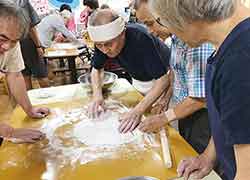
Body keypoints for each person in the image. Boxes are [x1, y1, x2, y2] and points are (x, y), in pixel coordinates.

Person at [150, 0, 250, 179]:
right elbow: (228, 122)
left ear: (185, 15)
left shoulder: (240, 61)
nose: (170, 30)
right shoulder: (225, 44)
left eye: (164, 21)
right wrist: (208, 158)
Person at [135, 0, 214, 154]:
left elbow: (199, 99)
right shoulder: (176, 39)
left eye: (150, 23)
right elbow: (176, 71)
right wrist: (165, 99)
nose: (149, 31)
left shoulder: (195, 43)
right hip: (185, 112)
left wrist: (163, 118)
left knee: (199, 159)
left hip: (202, 118)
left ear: (165, 16)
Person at [87, 9, 171, 134]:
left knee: (159, 128)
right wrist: (97, 95)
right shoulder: (103, 41)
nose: (104, 50)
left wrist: (138, 110)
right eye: (99, 45)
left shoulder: (141, 38)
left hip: (163, 80)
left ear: (122, 33)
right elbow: (97, 69)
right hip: (139, 79)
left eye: (109, 44)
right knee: (138, 119)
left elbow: (163, 80)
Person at [0, 0, 48, 143]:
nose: (8, 46)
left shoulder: (11, 43)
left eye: (14, 41)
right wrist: (9, 132)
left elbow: (14, 75)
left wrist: (29, 109)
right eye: (2, 39)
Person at [18, 0, 49, 90]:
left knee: (25, 75)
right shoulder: (22, 2)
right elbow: (31, 26)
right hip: (27, 41)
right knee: (41, 74)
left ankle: (31, 101)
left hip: (13, 43)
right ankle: (49, 100)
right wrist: (38, 46)